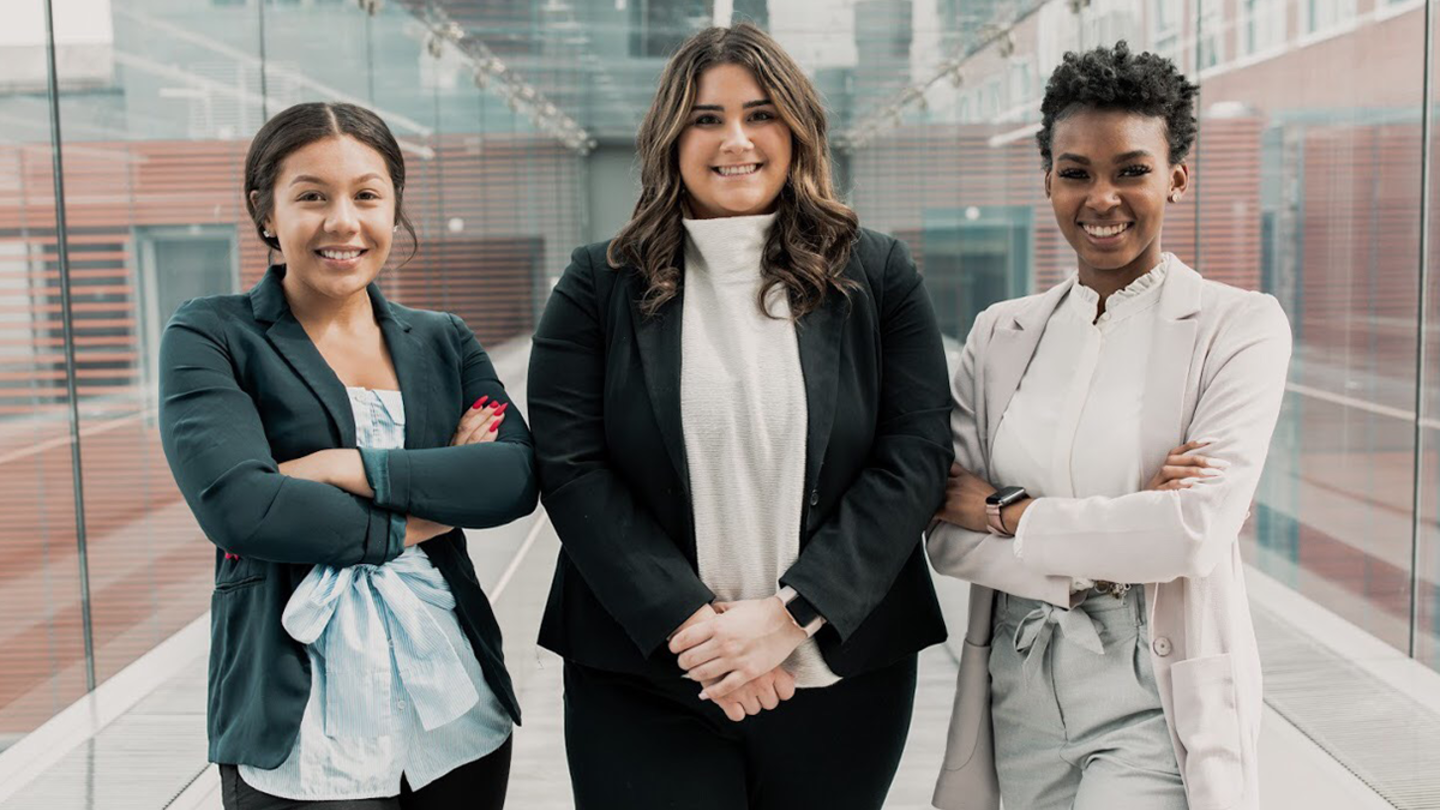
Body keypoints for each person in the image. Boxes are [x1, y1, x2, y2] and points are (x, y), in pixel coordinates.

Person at [526, 22, 952, 810]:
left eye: (760, 114)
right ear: (669, 136)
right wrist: (704, 636)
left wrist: (789, 619)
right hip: (646, 678)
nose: (736, 140)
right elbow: (571, 466)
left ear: (795, 129)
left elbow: (916, 456)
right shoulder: (597, 285)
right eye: (706, 117)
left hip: (840, 674)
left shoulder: (879, 274)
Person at [927, 42, 1292, 810]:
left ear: (1177, 178)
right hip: (1019, 686)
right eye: (1076, 172)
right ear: (1048, 180)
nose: (1102, 198)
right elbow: (946, 533)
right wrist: (1124, 534)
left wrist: (1008, 512)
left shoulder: (1238, 327)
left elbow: (1191, 531)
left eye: (1132, 170)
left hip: (1150, 685)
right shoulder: (1000, 335)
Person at [158, 101, 536, 809]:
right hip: (298, 729)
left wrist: (347, 467)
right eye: (311, 196)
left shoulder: (442, 340)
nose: (343, 221)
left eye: (366, 195)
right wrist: (426, 511)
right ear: (266, 212)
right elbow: (246, 508)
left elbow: (512, 477)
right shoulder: (212, 334)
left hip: (453, 710)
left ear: (394, 209)